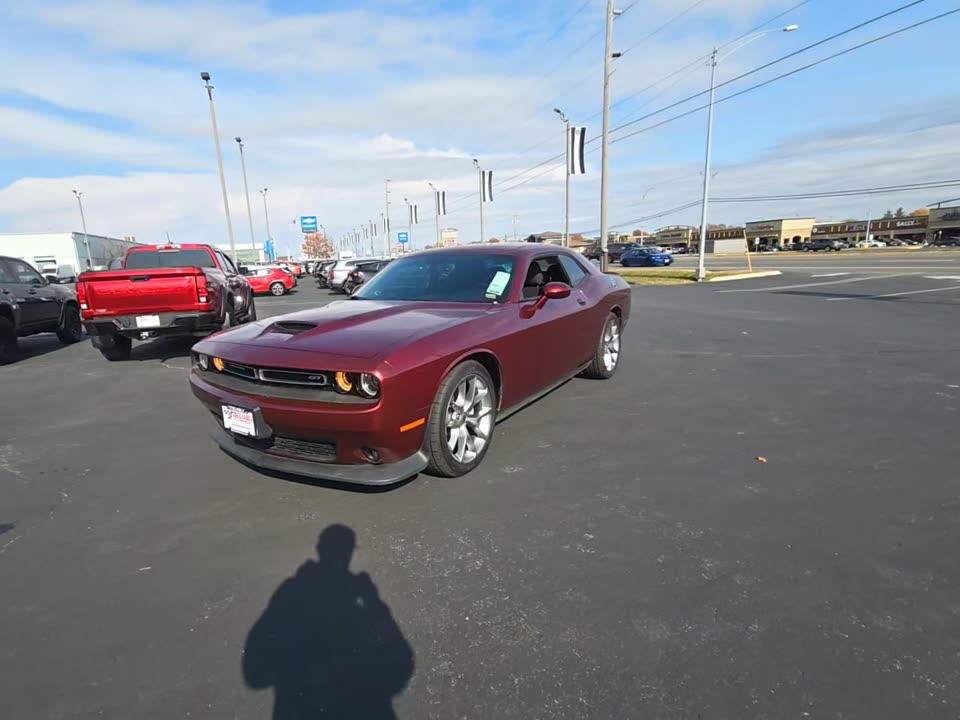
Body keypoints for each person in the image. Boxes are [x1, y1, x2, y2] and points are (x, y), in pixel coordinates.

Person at [243, 525, 414, 719]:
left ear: (319, 549)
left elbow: (255, 672)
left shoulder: (292, 601)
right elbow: (400, 666)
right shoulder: (360, 610)